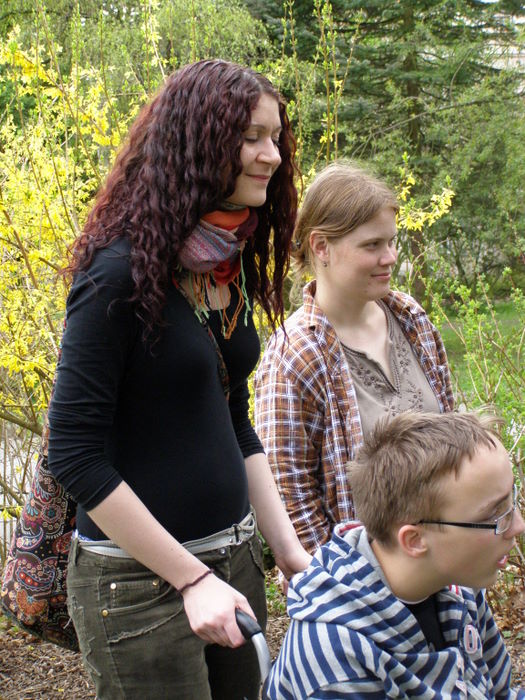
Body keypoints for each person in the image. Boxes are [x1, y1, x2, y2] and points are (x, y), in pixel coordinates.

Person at [47, 59, 311, 700]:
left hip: (235, 567)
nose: (272, 155)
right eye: (251, 137)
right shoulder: (117, 275)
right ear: (197, 143)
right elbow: (73, 454)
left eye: (275, 137)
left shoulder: (223, 269)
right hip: (139, 589)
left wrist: (289, 553)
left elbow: (234, 422)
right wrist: (191, 578)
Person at [254, 162, 454, 554]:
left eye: (392, 242)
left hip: (445, 564)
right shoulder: (295, 356)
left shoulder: (410, 319)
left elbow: (455, 434)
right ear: (321, 246)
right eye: (372, 245)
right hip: (361, 582)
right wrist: (345, 582)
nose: (390, 257)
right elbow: (291, 502)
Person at [266, 411, 525, 699]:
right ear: (414, 540)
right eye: (495, 515)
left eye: (511, 501)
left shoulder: (459, 582)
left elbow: (501, 692)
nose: (518, 526)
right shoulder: (337, 661)